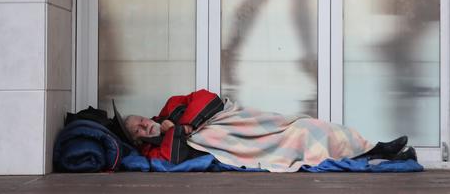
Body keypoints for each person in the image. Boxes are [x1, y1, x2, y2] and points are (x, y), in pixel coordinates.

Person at [115, 89, 417, 172]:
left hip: (241, 122)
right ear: (138, 139)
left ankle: (376, 147)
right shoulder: (152, 151)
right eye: (139, 129)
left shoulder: (171, 107)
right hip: (240, 145)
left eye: (141, 119)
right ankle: (383, 157)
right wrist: (173, 133)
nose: (145, 124)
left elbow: (208, 98)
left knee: (307, 125)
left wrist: (180, 124)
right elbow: (175, 156)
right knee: (300, 140)